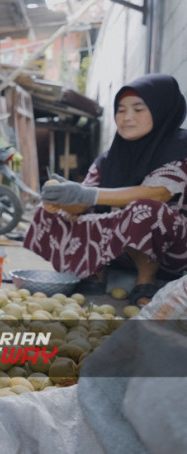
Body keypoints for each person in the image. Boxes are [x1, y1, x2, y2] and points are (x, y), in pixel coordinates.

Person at [24, 74, 187, 307]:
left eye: (138, 109)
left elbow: (158, 193)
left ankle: (146, 282)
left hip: (172, 252)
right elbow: (83, 203)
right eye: (120, 110)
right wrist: (63, 199)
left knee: (146, 209)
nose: (127, 117)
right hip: (122, 250)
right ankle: (94, 273)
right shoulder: (108, 160)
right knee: (53, 213)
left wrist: (86, 194)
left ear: (162, 110)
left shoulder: (180, 149)